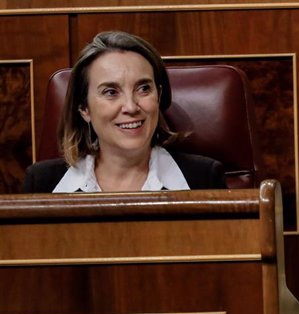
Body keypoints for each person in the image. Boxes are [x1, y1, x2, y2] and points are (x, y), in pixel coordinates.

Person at [23, 30, 227, 193]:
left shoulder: (204, 178)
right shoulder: (43, 184)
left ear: (159, 96)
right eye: (111, 92)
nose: (131, 107)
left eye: (144, 88)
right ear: (84, 108)